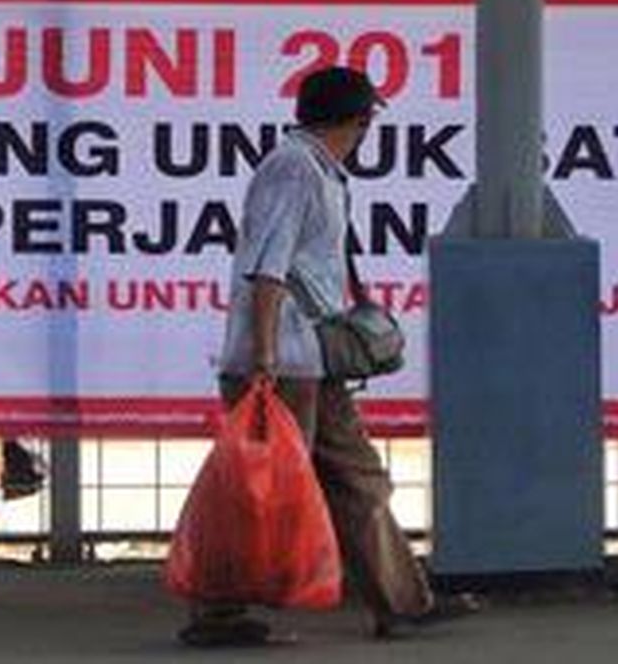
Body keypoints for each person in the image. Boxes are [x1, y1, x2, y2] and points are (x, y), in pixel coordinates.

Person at [178, 66, 477, 646]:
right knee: (257, 486)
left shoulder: (316, 169)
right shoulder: (294, 170)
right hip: (281, 360)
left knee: (356, 477)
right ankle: (218, 613)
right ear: (360, 120)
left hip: (308, 359)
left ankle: (403, 601)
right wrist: (263, 355)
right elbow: (267, 265)